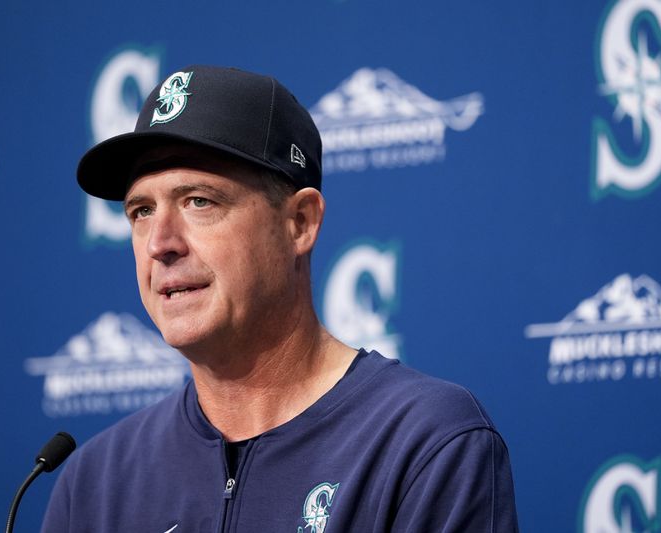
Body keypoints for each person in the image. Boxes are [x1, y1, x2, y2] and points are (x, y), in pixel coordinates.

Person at [42, 65, 519, 532]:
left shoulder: (425, 441)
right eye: (141, 211)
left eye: (199, 201)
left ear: (300, 223)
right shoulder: (94, 482)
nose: (160, 244)